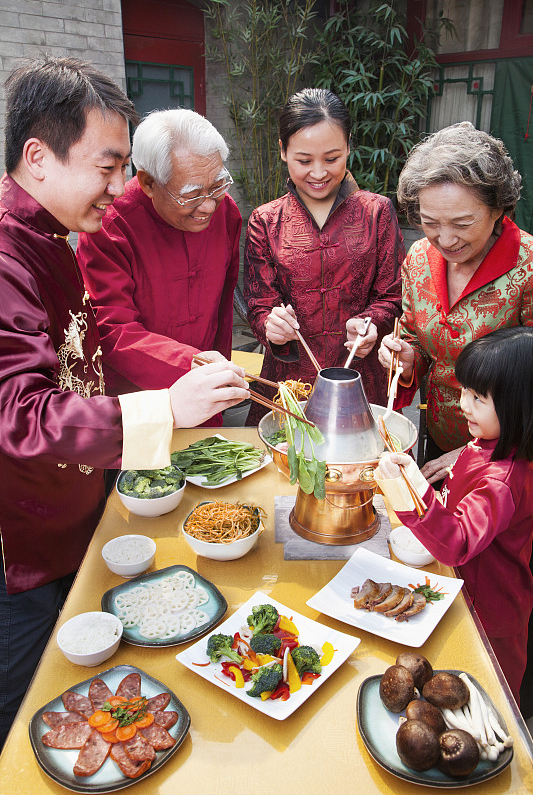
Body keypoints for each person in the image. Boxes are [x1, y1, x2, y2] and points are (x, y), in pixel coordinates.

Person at [0, 57, 249, 750]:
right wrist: (167, 408)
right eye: (108, 167)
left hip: (73, 499)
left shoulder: (47, 240)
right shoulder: (7, 256)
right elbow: (19, 413)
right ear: (38, 156)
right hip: (21, 535)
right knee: (21, 705)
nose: (119, 188)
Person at [375, 326, 533, 704]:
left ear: (519, 406)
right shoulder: (487, 443)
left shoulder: (504, 479)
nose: (463, 404)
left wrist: (404, 493)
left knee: (486, 700)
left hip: (491, 612)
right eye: (464, 390)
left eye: (478, 397)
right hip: (463, 589)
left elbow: (458, 541)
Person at [378, 122, 533, 484]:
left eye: (462, 223)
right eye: (430, 222)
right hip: (440, 434)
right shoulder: (419, 258)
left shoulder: (528, 265)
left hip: (512, 458)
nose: (445, 239)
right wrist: (406, 357)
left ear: (498, 209)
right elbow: (418, 337)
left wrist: (475, 454)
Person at [243, 88, 403, 423]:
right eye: (304, 161)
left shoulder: (377, 212)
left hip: (359, 379)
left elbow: (392, 295)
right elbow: (259, 304)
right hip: (288, 384)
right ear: (283, 151)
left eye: (331, 159)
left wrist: (371, 324)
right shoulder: (266, 221)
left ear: (348, 148)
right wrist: (272, 326)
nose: (318, 173)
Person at [77, 108, 241, 426]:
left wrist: (217, 379)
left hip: (205, 391)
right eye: (191, 194)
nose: (208, 205)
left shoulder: (227, 212)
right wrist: (193, 365)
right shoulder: (110, 224)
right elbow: (112, 329)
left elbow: (223, 310)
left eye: (218, 185)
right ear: (149, 183)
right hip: (137, 404)